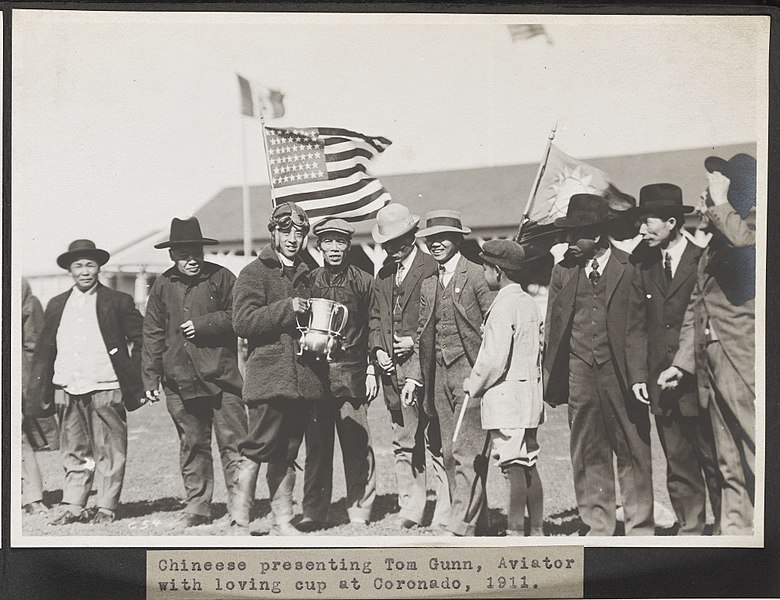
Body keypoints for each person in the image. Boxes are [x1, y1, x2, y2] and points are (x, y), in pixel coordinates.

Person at [543, 194, 654, 536]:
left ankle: (639, 526)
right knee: (587, 450)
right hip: (580, 373)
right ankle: (598, 524)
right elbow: (554, 324)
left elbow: (642, 325)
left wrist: (639, 374)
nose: (568, 241)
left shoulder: (630, 265)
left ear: (599, 235)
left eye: (576, 235)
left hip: (622, 374)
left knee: (633, 447)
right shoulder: (562, 271)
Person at [659, 153, 757, 535]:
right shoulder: (714, 244)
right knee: (729, 459)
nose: (701, 203)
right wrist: (681, 364)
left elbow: (745, 245)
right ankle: (737, 534)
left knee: (756, 449)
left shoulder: (750, 229)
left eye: (708, 193)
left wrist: (720, 202)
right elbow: (695, 310)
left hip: (742, 359)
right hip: (711, 362)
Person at [26, 239, 144, 525]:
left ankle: (105, 506)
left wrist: (134, 376)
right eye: (78, 265)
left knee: (109, 448)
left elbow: (143, 339)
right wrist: (42, 388)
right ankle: (74, 505)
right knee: (73, 448)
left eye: (90, 264)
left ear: (99, 267)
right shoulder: (57, 304)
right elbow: (44, 349)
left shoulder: (117, 301)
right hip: (67, 386)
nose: (85, 271)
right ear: (70, 270)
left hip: (106, 384)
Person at [626, 184, 721, 535]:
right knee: (678, 462)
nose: (641, 230)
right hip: (660, 383)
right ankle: (691, 529)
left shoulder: (703, 259)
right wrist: (639, 375)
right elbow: (635, 325)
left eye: (648, 223)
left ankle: (729, 530)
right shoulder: (643, 263)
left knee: (713, 460)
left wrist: (685, 366)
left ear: (671, 222)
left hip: (700, 381)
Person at [142, 217, 247, 527]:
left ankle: (240, 507)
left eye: (196, 252)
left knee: (235, 445)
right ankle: (198, 507)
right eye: (184, 254)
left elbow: (240, 316)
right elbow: (152, 332)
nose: (192, 260)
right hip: (179, 380)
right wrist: (150, 376)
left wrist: (204, 325)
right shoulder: (162, 284)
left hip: (222, 378)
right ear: (172, 255)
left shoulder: (223, 278)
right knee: (192, 445)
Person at [230, 202, 326, 535]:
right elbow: (242, 322)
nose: (293, 238)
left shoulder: (308, 272)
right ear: (273, 232)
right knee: (257, 448)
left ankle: (282, 520)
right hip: (269, 379)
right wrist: (286, 308)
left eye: (299, 232)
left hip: (301, 380)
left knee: (288, 451)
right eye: (286, 231)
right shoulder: (254, 273)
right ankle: (238, 521)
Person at [402, 210, 494, 536]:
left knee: (467, 451)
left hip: (470, 375)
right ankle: (474, 521)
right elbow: (421, 336)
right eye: (431, 239)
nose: (436, 244)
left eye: (442, 238)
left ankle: (460, 525)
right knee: (449, 453)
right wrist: (414, 376)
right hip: (438, 379)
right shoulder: (429, 285)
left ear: (458, 240)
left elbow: (495, 326)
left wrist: (485, 373)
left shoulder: (479, 276)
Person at [368, 203, 450, 530]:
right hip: (392, 375)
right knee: (404, 442)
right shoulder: (384, 274)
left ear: (413, 236)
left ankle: (443, 508)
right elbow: (375, 318)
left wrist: (414, 343)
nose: (392, 249)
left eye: (399, 242)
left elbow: (439, 320)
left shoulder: (432, 268)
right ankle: (410, 508)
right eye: (387, 244)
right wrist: (378, 349)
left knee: (435, 442)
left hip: (426, 373)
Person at [299, 218, 378, 530]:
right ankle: (314, 510)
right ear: (320, 245)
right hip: (316, 377)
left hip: (352, 376)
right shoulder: (309, 280)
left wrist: (372, 368)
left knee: (357, 446)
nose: (334, 248)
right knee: (317, 447)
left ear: (348, 245)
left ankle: (359, 508)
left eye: (340, 242)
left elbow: (375, 325)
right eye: (328, 242)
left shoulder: (363, 281)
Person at [463, 240, 545, 536]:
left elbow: (494, 359)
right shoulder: (528, 301)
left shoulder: (503, 306)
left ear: (497, 271)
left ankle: (514, 530)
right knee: (528, 462)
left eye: (485, 268)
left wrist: (473, 384)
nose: (484, 272)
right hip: (530, 396)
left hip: (507, 397)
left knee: (512, 464)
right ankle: (536, 529)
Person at [21, 277, 50, 515]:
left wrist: (31, 385)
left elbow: (34, 345)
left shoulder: (19, 287)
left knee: (16, 436)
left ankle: (32, 497)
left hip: (11, 374)